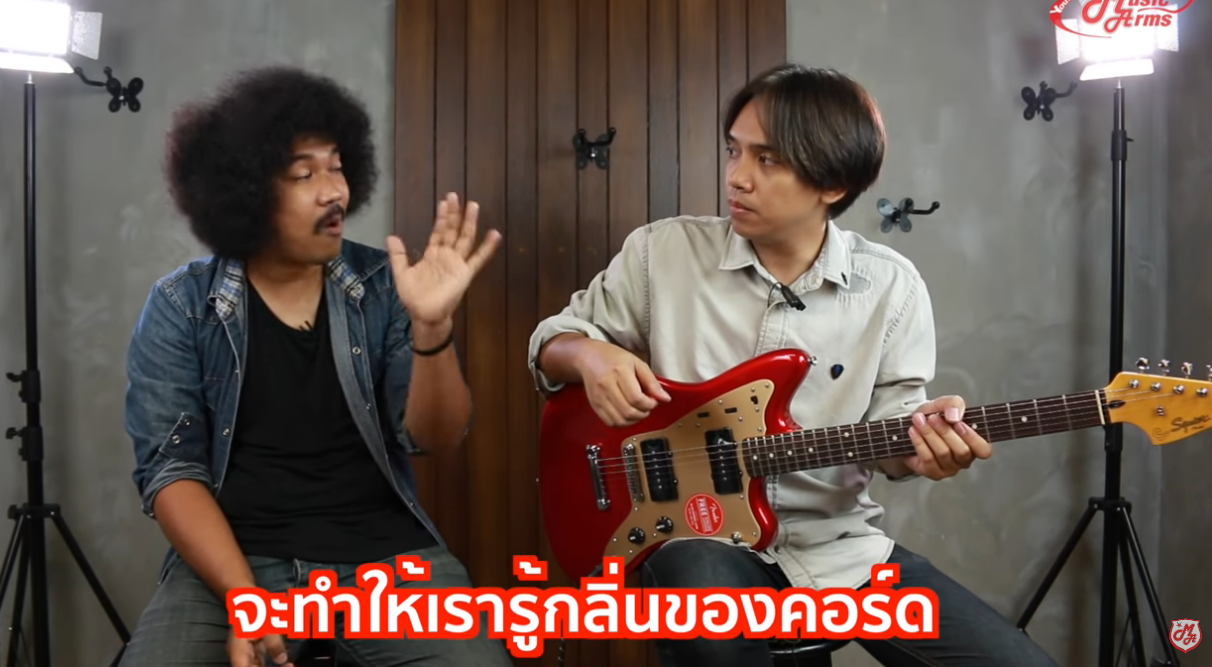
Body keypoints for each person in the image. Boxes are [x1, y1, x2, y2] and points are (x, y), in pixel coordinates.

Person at [527, 63, 1059, 666]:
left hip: (839, 549)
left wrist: (925, 450)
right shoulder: (663, 252)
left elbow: (895, 437)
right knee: (707, 603)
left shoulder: (892, 288)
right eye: (734, 151)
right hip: (696, 538)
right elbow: (552, 343)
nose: (736, 177)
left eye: (767, 160)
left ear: (833, 183)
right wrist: (588, 353)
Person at [120, 66, 513, 667]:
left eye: (337, 167)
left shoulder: (384, 285)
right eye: (305, 174)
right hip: (234, 563)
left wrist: (433, 329)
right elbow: (171, 472)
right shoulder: (182, 305)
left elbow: (437, 436)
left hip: (384, 560)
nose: (335, 192)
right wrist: (245, 600)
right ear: (245, 193)